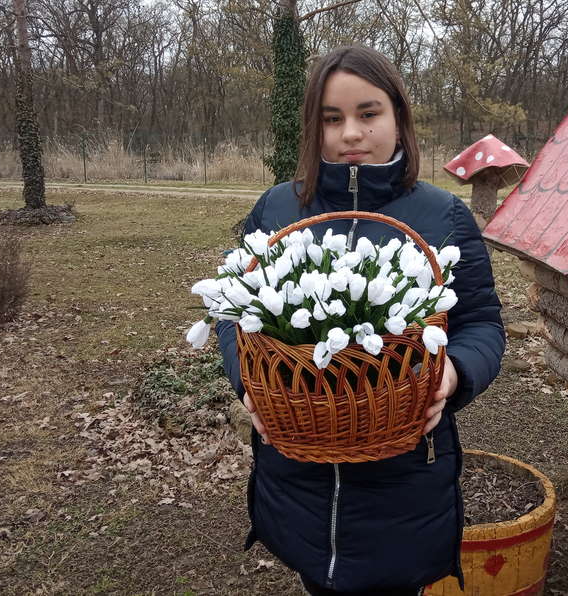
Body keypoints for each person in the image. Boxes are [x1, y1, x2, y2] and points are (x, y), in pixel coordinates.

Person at [216, 45, 505, 595]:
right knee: (315, 579)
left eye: (368, 114)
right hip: (295, 466)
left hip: (404, 473)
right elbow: (234, 315)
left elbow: (483, 323)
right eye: (332, 118)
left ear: (398, 119)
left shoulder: (442, 217)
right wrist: (250, 383)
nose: (351, 133)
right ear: (313, 127)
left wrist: (453, 373)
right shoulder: (278, 210)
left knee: (395, 584)